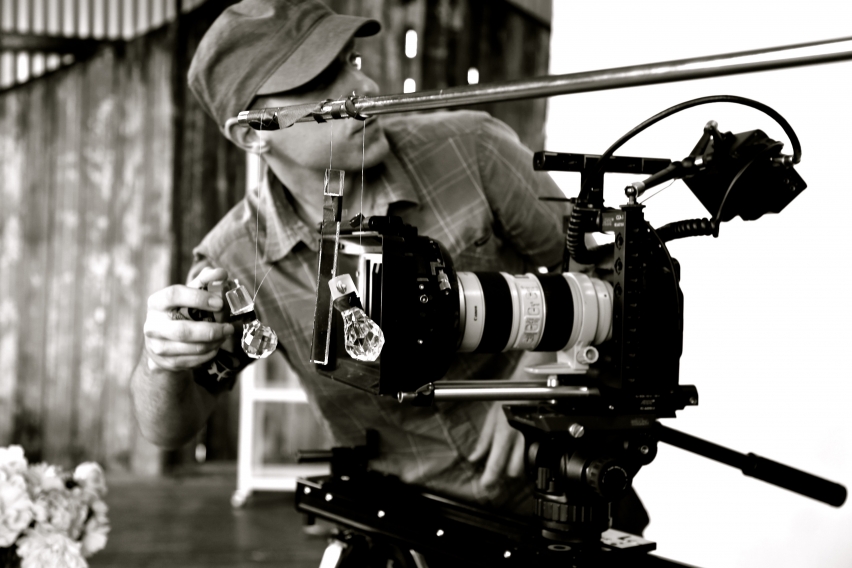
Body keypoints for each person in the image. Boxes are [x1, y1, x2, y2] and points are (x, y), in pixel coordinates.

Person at [130, 0, 646, 536]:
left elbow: (607, 271)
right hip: (403, 525)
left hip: (564, 488)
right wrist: (160, 363)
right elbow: (170, 428)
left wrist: (535, 382)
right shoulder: (236, 260)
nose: (366, 86)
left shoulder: (472, 147)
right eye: (321, 81)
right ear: (251, 133)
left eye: (350, 61)